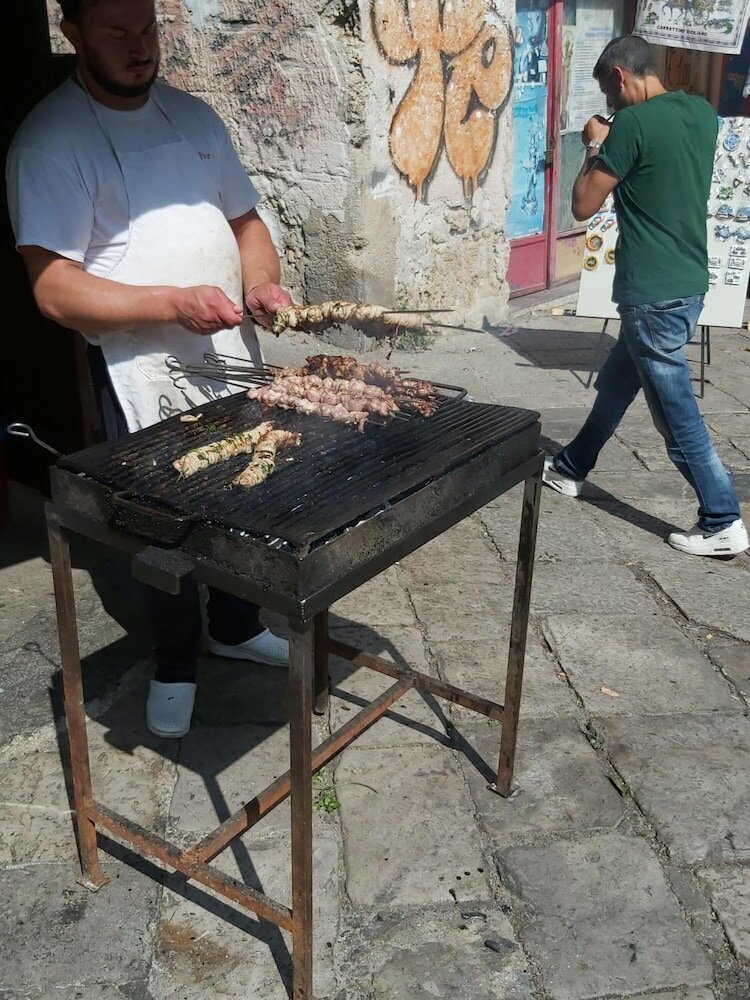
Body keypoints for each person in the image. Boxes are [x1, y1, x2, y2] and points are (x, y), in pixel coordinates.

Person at [6, 0, 296, 738]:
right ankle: (175, 658)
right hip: (136, 367)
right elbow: (53, 287)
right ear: (71, 35)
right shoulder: (50, 141)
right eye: (116, 33)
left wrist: (260, 283)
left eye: (148, 30)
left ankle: (234, 623)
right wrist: (170, 302)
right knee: (161, 527)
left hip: (227, 351)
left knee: (242, 492)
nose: (139, 49)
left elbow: (247, 224)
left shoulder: (195, 119)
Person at [543, 34, 748, 558]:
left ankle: (721, 516)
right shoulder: (702, 114)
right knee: (616, 381)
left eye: (608, 97)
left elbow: (584, 205)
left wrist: (594, 143)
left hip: (650, 290)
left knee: (674, 410)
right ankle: (571, 467)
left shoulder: (629, 125)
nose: (609, 109)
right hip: (688, 282)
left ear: (619, 77)